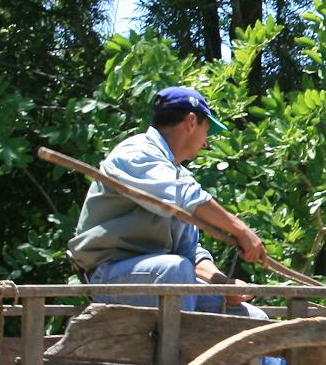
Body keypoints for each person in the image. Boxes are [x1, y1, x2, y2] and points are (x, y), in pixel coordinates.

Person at [68, 86, 268, 317]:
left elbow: (190, 253)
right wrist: (241, 230)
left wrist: (223, 284)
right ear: (191, 121)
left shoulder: (178, 175)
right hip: (108, 275)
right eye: (207, 130)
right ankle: (174, 350)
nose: (206, 142)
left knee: (253, 317)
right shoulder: (136, 152)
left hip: (161, 277)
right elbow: (186, 197)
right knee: (174, 269)